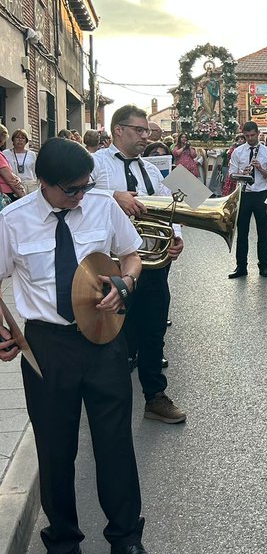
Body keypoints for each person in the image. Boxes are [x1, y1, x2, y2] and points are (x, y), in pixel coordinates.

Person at [0, 137, 153, 554]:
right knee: (55, 448)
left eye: (85, 186)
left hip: (105, 338)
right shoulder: (12, 222)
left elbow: (133, 254)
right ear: (43, 184)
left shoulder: (103, 206)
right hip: (47, 346)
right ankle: (62, 545)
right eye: (72, 190)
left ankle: (126, 538)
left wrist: (126, 282)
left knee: (114, 443)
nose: (81, 196)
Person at [91, 104, 186, 423]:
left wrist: (175, 235)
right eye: (139, 130)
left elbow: (173, 205)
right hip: (112, 264)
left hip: (150, 264)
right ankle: (109, 400)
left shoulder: (150, 169)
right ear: (118, 130)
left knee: (153, 329)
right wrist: (113, 196)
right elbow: (77, 195)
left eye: (148, 131)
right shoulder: (96, 163)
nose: (146, 136)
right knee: (116, 333)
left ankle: (155, 397)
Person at [228, 121, 267, 278]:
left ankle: (264, 266)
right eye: (247, 136)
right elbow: (231, 174)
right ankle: (241, 267)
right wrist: (243, 172)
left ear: (258, 133)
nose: (250, 138)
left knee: (263, 232)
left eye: (252, 135)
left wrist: (260, 168)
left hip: (261, 193)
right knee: (242, 232)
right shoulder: (238, 152)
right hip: (244, 194)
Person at [0, 124, 26, 207]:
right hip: (5, 194)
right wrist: (23, 197)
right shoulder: (1, 155)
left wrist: (16, 177)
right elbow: (10, 179)